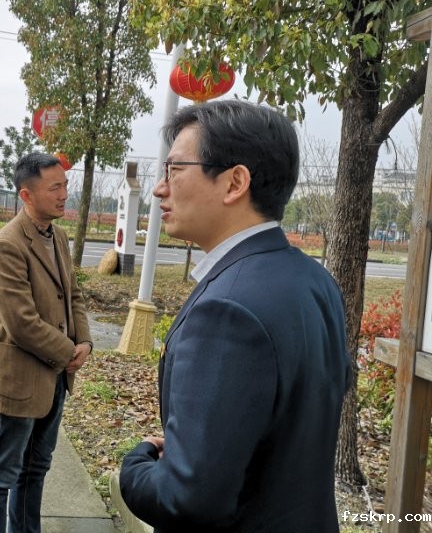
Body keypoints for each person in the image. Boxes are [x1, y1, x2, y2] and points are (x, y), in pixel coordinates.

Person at [119, 100, 352, 532]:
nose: (159, 189)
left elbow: (186, 499)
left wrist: (137, 464)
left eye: (175, 170)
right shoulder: (315, 281)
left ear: (235, 182)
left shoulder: (225, 310)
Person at [0, 152, 93, 533]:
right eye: (54, 187)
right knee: (1, 475)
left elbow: (73, 294)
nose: (64, 195)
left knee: (36, 468)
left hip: (56, 377)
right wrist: (67, 352)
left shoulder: (58, 237)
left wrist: (84, 341)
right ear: (26, 195)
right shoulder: (7, 245)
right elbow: (20, 323)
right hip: (21, 379)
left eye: (65, 186)